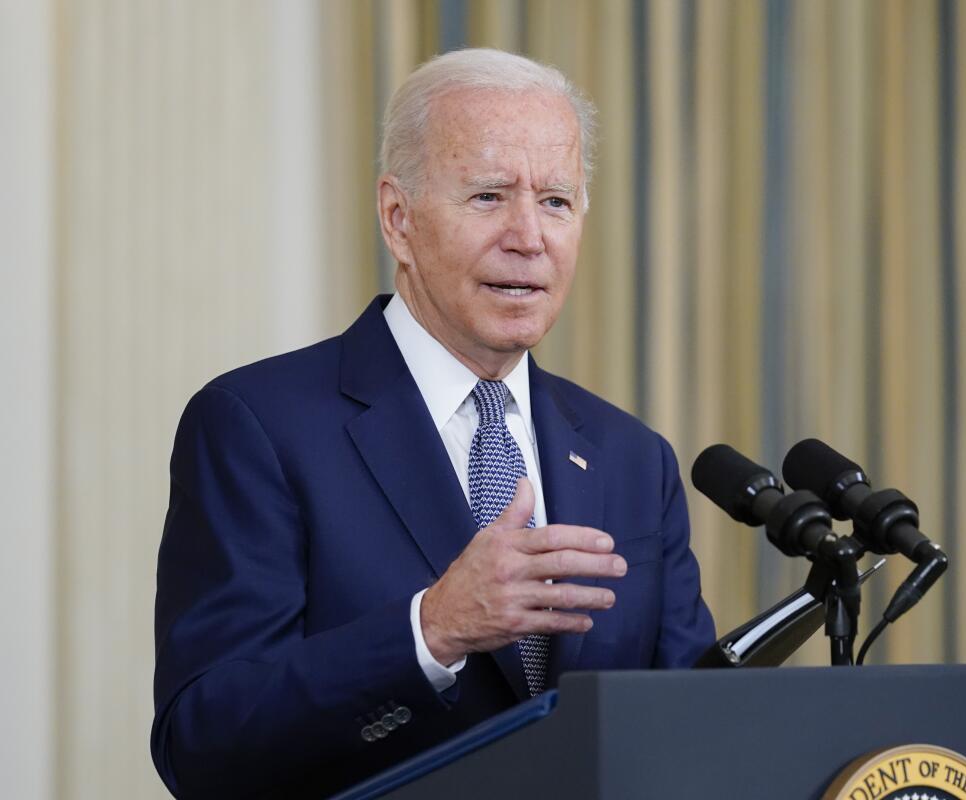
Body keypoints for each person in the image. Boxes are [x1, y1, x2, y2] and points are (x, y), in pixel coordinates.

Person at [151, 48, 715, 799]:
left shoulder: (630, 458)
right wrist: (431, 630)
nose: (529, 236)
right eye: (488, 197)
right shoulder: (259, 426)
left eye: (555, 201)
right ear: (398, 218)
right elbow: (203, 742)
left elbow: (693, 731)